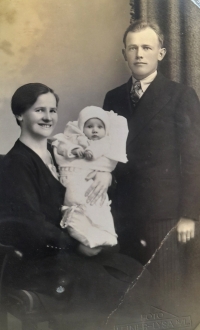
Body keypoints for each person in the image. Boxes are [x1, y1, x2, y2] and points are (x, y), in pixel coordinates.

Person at [0, 83, 149, 330]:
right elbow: (29, 225)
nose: (48, 117)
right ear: (19, 114)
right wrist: (76, 245)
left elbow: (89, 186)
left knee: (134, 272)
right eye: (39, 110)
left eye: (52, 110)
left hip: (66, 251)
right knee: (104, 285)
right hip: (36, 260)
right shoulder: (17, 162)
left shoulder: (59, 151)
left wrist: (106, 176)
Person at [103, 20, 200, 279]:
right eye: (132, 48)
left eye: (147, 47)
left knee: (163, 288)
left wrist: (189, 215)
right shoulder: (112, 98)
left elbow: (193, 159)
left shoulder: (180, 95)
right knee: (127, 288)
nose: (139, 54)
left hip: (163, 213)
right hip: (123, 212)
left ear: (161, 53)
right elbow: (107, 154)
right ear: (124, 54)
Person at [51, 106, 128, 249]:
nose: (95, 130)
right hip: (74, 180)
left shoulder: (105, 142)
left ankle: (103, 236)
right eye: (89, 126)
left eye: (100, 127)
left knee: (97, 209)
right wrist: (74, 149)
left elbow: (103, 151)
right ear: (81, 127)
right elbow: (61, 145)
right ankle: (81, 235)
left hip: (92, 183)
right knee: (77, 208)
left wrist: (91, 152)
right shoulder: (73, 138)